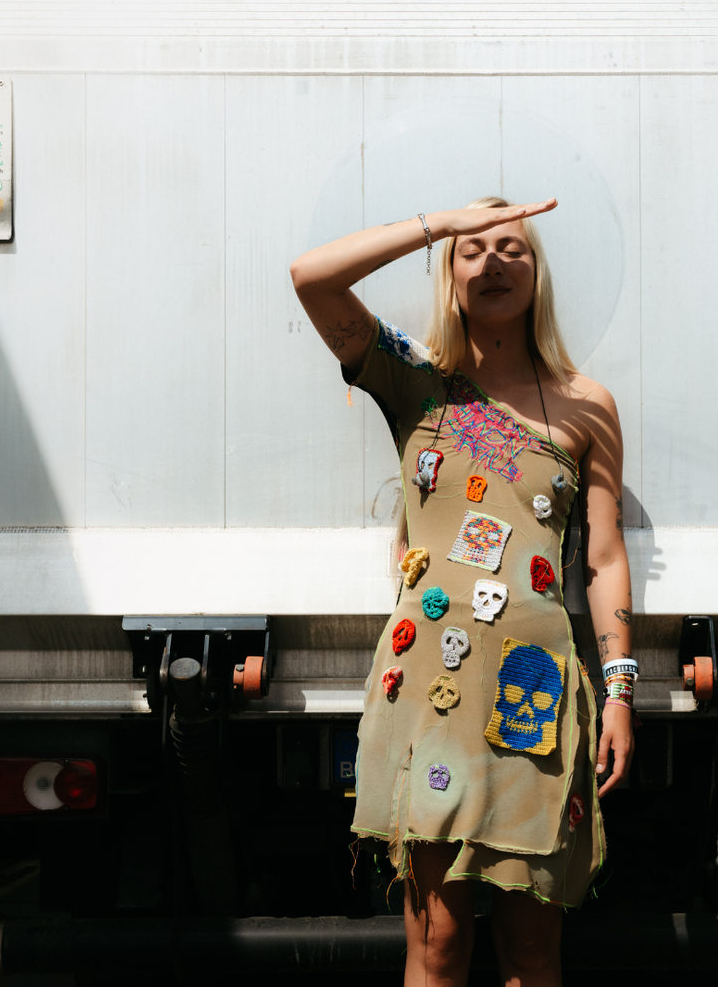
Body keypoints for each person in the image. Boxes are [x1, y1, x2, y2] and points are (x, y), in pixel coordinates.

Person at [291, 197, 636, 987]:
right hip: (432, 697)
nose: (492, 261)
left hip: (534, 699)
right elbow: (311, 278)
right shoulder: (415, 384)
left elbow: (605, 558)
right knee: (438, 948)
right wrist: (438, 224)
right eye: (471, 251)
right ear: (448, 275)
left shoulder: (588, 405)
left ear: (539, 275)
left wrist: (619, 691)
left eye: (512, 248)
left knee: (531, 952)